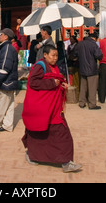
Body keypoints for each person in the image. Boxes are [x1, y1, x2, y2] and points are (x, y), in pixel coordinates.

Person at [21, 45, 82, 173]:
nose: (55, 58)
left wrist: (61, 84)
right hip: (42, 108)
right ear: (45, 55)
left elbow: (57, 79)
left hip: (53, 108)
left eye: (56, 56)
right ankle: (32, 155)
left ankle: (66, 162)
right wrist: (51, 83)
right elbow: (32, 82)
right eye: (52, 55)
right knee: (39, 133)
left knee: (61, 134)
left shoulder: (53, 66)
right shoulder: (39, 66)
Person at [74, 33, 103, 110]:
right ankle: (92, 104)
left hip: (82, 68)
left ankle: (82, 103)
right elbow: (99, 55)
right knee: (92, 88)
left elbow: (74, 54)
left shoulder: (80, 44)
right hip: (92, 69)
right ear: (95, 38)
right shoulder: (93, 45)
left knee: (83, 87)